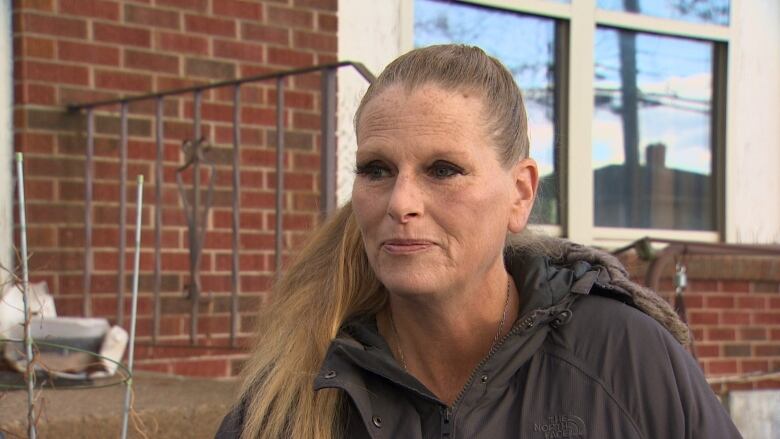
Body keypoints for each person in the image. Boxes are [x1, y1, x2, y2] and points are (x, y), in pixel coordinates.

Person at [216, 44, 741, 439]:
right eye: (376, 169)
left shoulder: (622, 354)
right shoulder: (295, 392)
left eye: (443, 170)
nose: (401, 202)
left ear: (520, 194)